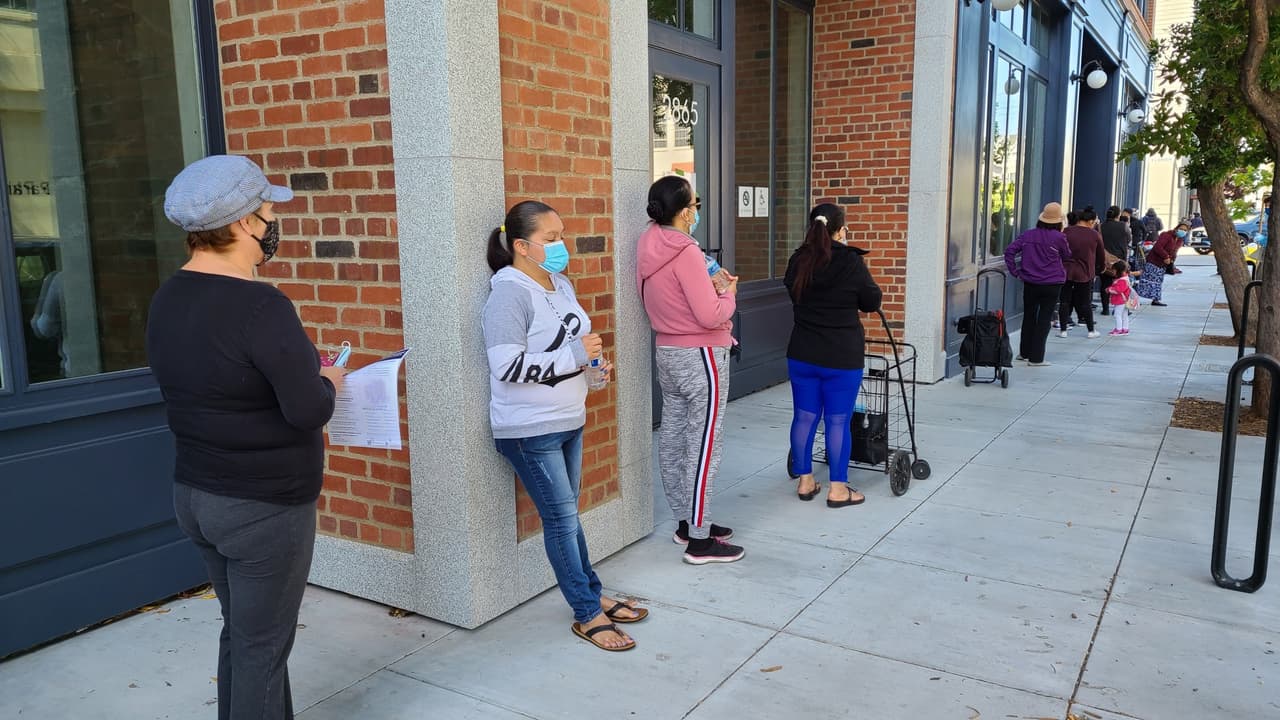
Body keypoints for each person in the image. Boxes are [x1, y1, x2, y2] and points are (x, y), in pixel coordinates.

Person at [146, 155, 347, 719]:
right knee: (263, 648)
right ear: (240, 226)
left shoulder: (168, 298)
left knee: (243, 635)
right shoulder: (263, 305)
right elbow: (307, 410)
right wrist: (328, 378)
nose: (271, 225)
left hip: (196, 495)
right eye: (265, 213)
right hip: (264, 505)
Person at [483, 200, 646, 652]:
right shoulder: (508, 293)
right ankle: (586, 613)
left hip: (569, 418)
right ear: (521, 245)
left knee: (568, 517)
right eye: (551, 239)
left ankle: (591, 593)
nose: (561, 246)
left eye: (561, 236)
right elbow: (505, 365)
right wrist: (574, 357)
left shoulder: (560, 284)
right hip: (530, 429)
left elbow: (576, 348)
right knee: (560, 520)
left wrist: (594, 368)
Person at [638, 175, 744, 565]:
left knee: (675, 437)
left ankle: (687, 522)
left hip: (668, 349)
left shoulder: (649, 243)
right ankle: (700, 538)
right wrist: (729, 296)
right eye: (694, 205)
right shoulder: (684, 251)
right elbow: (710, 313)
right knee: (704, 446)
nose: (697, 211)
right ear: (685, 212)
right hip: (700, 353)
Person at [784, 204, 882, 508]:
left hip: (802, 353)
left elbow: (792, 291)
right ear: (840, 230)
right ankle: (838, 489)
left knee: (804, 416)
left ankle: (805, 482)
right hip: (841, 357)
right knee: (838, 419)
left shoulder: (799, 260)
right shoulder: (850, 262)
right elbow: (871, 300)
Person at [1004, 202, 1070, 367]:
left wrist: (1015, 272)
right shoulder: (1059, 237)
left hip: (1030, 281)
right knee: (1044, 318)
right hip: (1052, 282)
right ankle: (1036, 358)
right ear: (1058, 221)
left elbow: (1009, 251)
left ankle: (1024, 352)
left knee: (1029, 316)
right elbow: (1067, 255)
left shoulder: (1028, 235)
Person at [1060, 207, 1104, 339]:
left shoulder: (1066, 232)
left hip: (1065, 271)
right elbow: (1100, 255)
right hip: (1085, 272)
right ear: (1090, 221)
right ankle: (1091, 330)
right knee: (1085, 302)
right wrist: (1099, 269)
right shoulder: (1094, 235)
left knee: (1064, 301)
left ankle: (1063, 330)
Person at [1135, 219, 1187, 307]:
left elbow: (1174, 252)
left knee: (1158, 282)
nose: (1183, 231)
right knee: (1146, 281)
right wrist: (1166, 256)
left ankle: (1156, 299)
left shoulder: (1180, 240)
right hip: (1154, 261)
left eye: (1185, 230)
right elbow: (1158, 247)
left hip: (1163, 264)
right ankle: (1134, 297)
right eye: (1181, 229)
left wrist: (1171, 260)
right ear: (1177, 228)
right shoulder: (1166, 235)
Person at [1099, 206, 1131, 317]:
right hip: (1120, 259)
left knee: (1105, 284)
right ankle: (1121, 307)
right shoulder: (1123, 226)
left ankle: (1105, 308)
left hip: (1105, 260)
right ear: (1118, 215)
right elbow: (1129, 239)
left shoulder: (1101, 226)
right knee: (1122, 284)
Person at [1105, 260, 1134, 336]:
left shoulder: (1122, 280)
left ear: (1119, 271)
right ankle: (1125, 329)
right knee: (1124, 315)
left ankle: (1118, 329)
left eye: (1114, 270)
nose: (1113, 272)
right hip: (1124, 300)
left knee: (1117, 314)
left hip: (1120, 301)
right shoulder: (1125, 278)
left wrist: (1109, 289)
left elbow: (1118, 290)